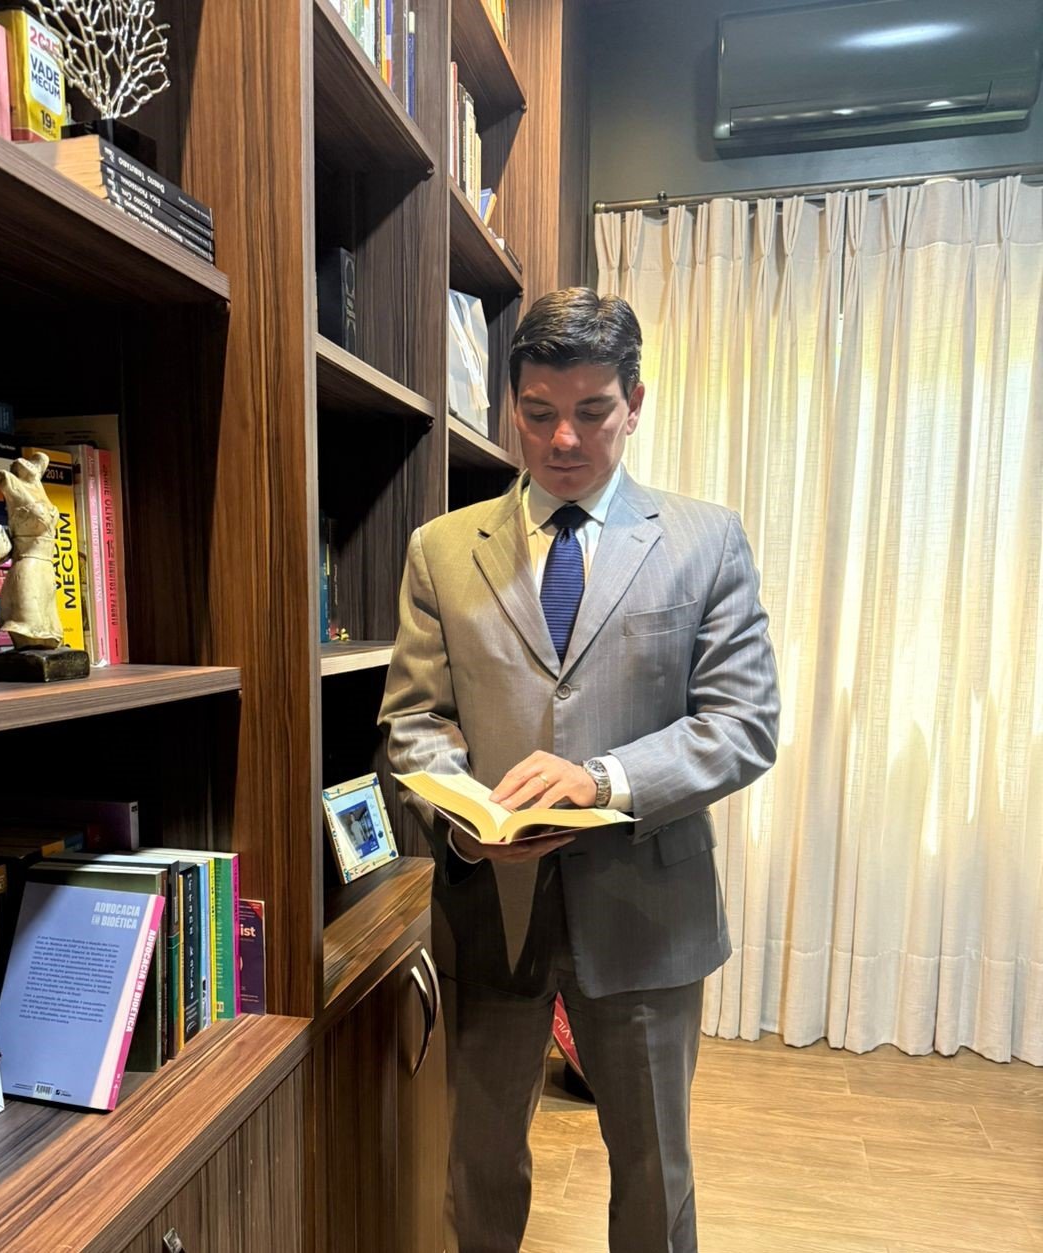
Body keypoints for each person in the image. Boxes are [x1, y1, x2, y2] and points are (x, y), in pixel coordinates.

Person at [378, 287, 779, 1253]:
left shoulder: (705, 539)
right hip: (489, 912)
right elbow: (413, 721)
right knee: (478, 1169)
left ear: (634, 402)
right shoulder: (442, 549)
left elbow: (742, 723)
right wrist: (466, 820)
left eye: (592, 411)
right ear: (510, 406)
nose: (563, 439)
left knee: (653, 1174)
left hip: (648, 914)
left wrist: (603, 779)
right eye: (538, 412)